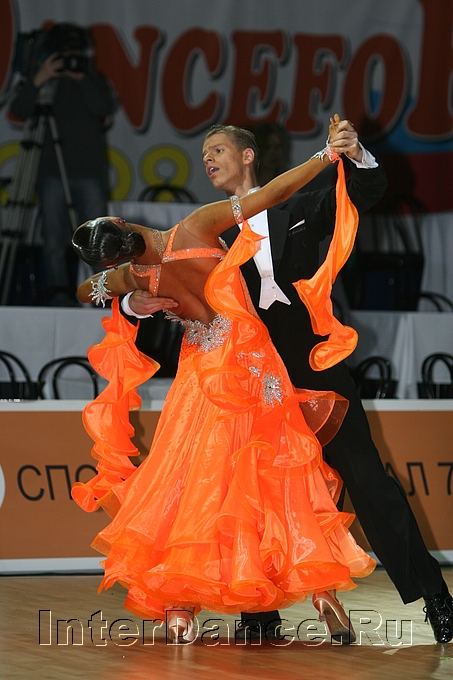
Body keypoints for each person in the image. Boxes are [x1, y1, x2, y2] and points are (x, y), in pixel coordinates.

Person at [125, 116, 453, 644]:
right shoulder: (205, 232)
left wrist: (355, 153)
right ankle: (259, 612)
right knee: (250, 491)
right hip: (250, 379)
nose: (208, 159)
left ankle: (435, 597)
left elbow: (366, 191)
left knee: (368, 480)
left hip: (314, 367)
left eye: (217, 149)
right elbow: (151, 274)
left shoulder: (298, 208)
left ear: (248, 155)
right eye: (203, 154)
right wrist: (132, 302)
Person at [71, 121, 376, 644]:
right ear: (122, 222)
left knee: (194, 482)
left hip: (200, 378)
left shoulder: (136, 276)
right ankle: (323, 592)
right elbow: (272, 194)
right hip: (253, 365)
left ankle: (179, 609)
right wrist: (326, 156)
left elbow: (83, 291)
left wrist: (127, 298)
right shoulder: (193, 228)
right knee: (278, 477)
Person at [9, 23, 117, 306]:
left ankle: (101, 296)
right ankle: (59, 297)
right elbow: (19, 109)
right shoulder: (43, 79)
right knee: (54, 241)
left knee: (97, 240)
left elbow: (104, 107)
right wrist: (39, 78)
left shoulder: (90, 78)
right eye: (63, 54)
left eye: (73, 53)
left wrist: (82, 78)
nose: (68, 59)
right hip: (50, 172)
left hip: (88, 171)